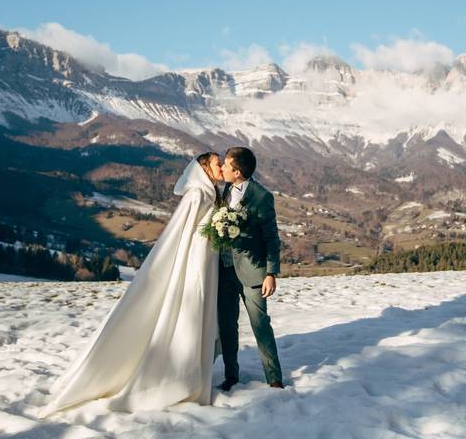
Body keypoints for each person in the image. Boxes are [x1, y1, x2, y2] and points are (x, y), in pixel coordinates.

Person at [38, 152, 223, 417]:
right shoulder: (196, 196)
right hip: (192, 264)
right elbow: (178, 236)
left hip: (205, 263)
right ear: (204, 168)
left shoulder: (210, 194)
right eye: (216, 163)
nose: (220, 167)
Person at [217, 146, 285, 391]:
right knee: (226, 326)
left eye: (226, 165)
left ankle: (274, 378)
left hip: (254, 273)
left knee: (260, 325)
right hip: (224, 271)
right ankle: (231, 376)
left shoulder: (262, 196)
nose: (222, 168)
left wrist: (271, 273)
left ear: (237, 172)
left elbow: (271, 238)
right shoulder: (226, 190)